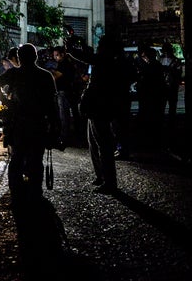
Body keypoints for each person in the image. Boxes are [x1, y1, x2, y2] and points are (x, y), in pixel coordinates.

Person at [0, 43, 60, 203]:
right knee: (36, 159)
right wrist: (56, 127)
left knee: (17, 157)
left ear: (19, 58)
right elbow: (52, 105)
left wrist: (5, 100)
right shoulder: (45, 76)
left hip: (18, 123)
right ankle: (35, 191)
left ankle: (16, 190)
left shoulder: (13, 74)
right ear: (35, 57)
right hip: (38, 124)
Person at [67, 34, 132, 193]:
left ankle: (109, 182)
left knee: (103, 144)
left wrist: (71, 48)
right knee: (95, 143)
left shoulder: (106, 60)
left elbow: (85, 56)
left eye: (100, 44)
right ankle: (102, 177)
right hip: (98, 108)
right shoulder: (112, 60)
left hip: (99, 108)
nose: (98, 47)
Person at [135, 45, 166, 151]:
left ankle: (150, 140)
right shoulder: (156, 66)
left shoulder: (150, 67)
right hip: (154, 97)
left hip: (150, 97)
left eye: (144, 56)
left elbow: (145, 82)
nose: (143, 58)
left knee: (150, 117)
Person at [49, 45, 78, 147]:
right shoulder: (63, 63)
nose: (55, 57)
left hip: (64, 92)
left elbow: (57, 76)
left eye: (57, 55)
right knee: (62, 116)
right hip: (63, 92)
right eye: (54, 55)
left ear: (62, 54)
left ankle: (64, 138)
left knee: (64, 116)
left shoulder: (64, 64)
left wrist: (50, 72)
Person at [160, 42, 183, 124]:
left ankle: (168, 123)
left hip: (166, 86)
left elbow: (178, 73)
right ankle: (171, 123)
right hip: (170, 86)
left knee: (165, 106)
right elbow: (179, 74)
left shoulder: (160, 60)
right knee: (171, 107)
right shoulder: (176, 60)